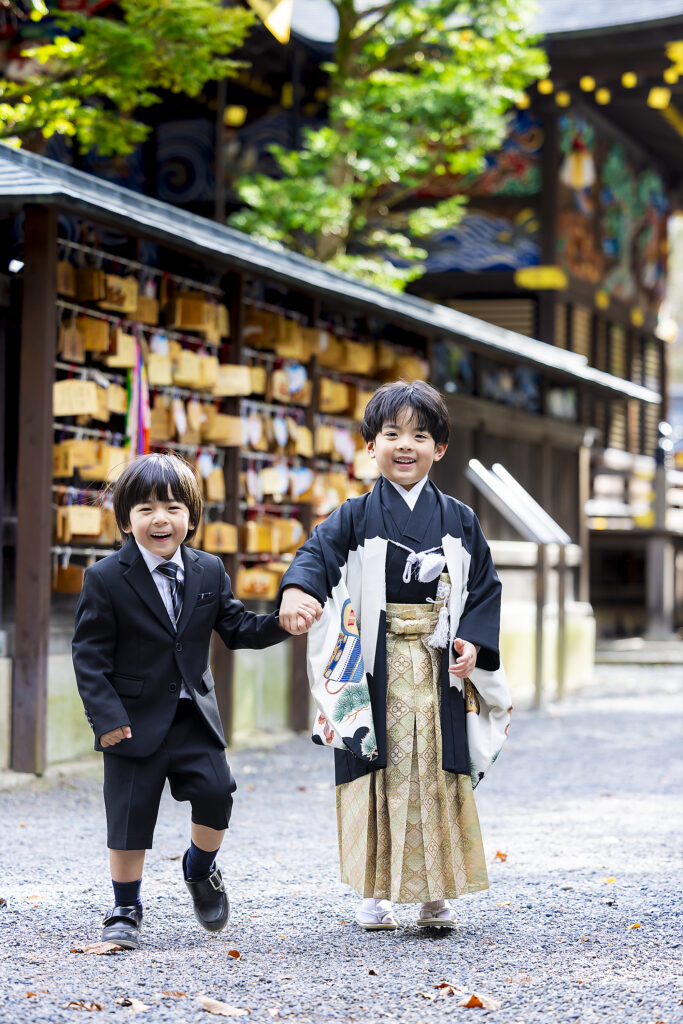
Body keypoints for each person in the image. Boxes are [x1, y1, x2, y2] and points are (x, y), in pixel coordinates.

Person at [279, 380, 511, 930]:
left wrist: (472, 642)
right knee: (374, 773)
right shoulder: (354, 516)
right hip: (373, 668)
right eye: (392, 434)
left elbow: (485, 587)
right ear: (370, 445)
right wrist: (299, 592)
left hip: (436, 669)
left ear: (440, 448)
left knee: (434, 776)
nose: (405, 446)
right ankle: (374, 892)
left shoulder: (458, 518)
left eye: (420, 436)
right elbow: (316, 556)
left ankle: (435, 895)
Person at [72, 452, 318, 950]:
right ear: (125, 521)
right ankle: (125, 906)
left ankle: (200, 867)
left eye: (172, 507)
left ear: (192, 516)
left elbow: (237, 627)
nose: (160, 519)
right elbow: (88, 655)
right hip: (132, 719)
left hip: (193, 715)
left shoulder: (208, 570)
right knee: (129, 811)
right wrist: (106, 717)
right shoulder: (104, 578)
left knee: (216, 791)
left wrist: (283, 623)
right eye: (144, 510)